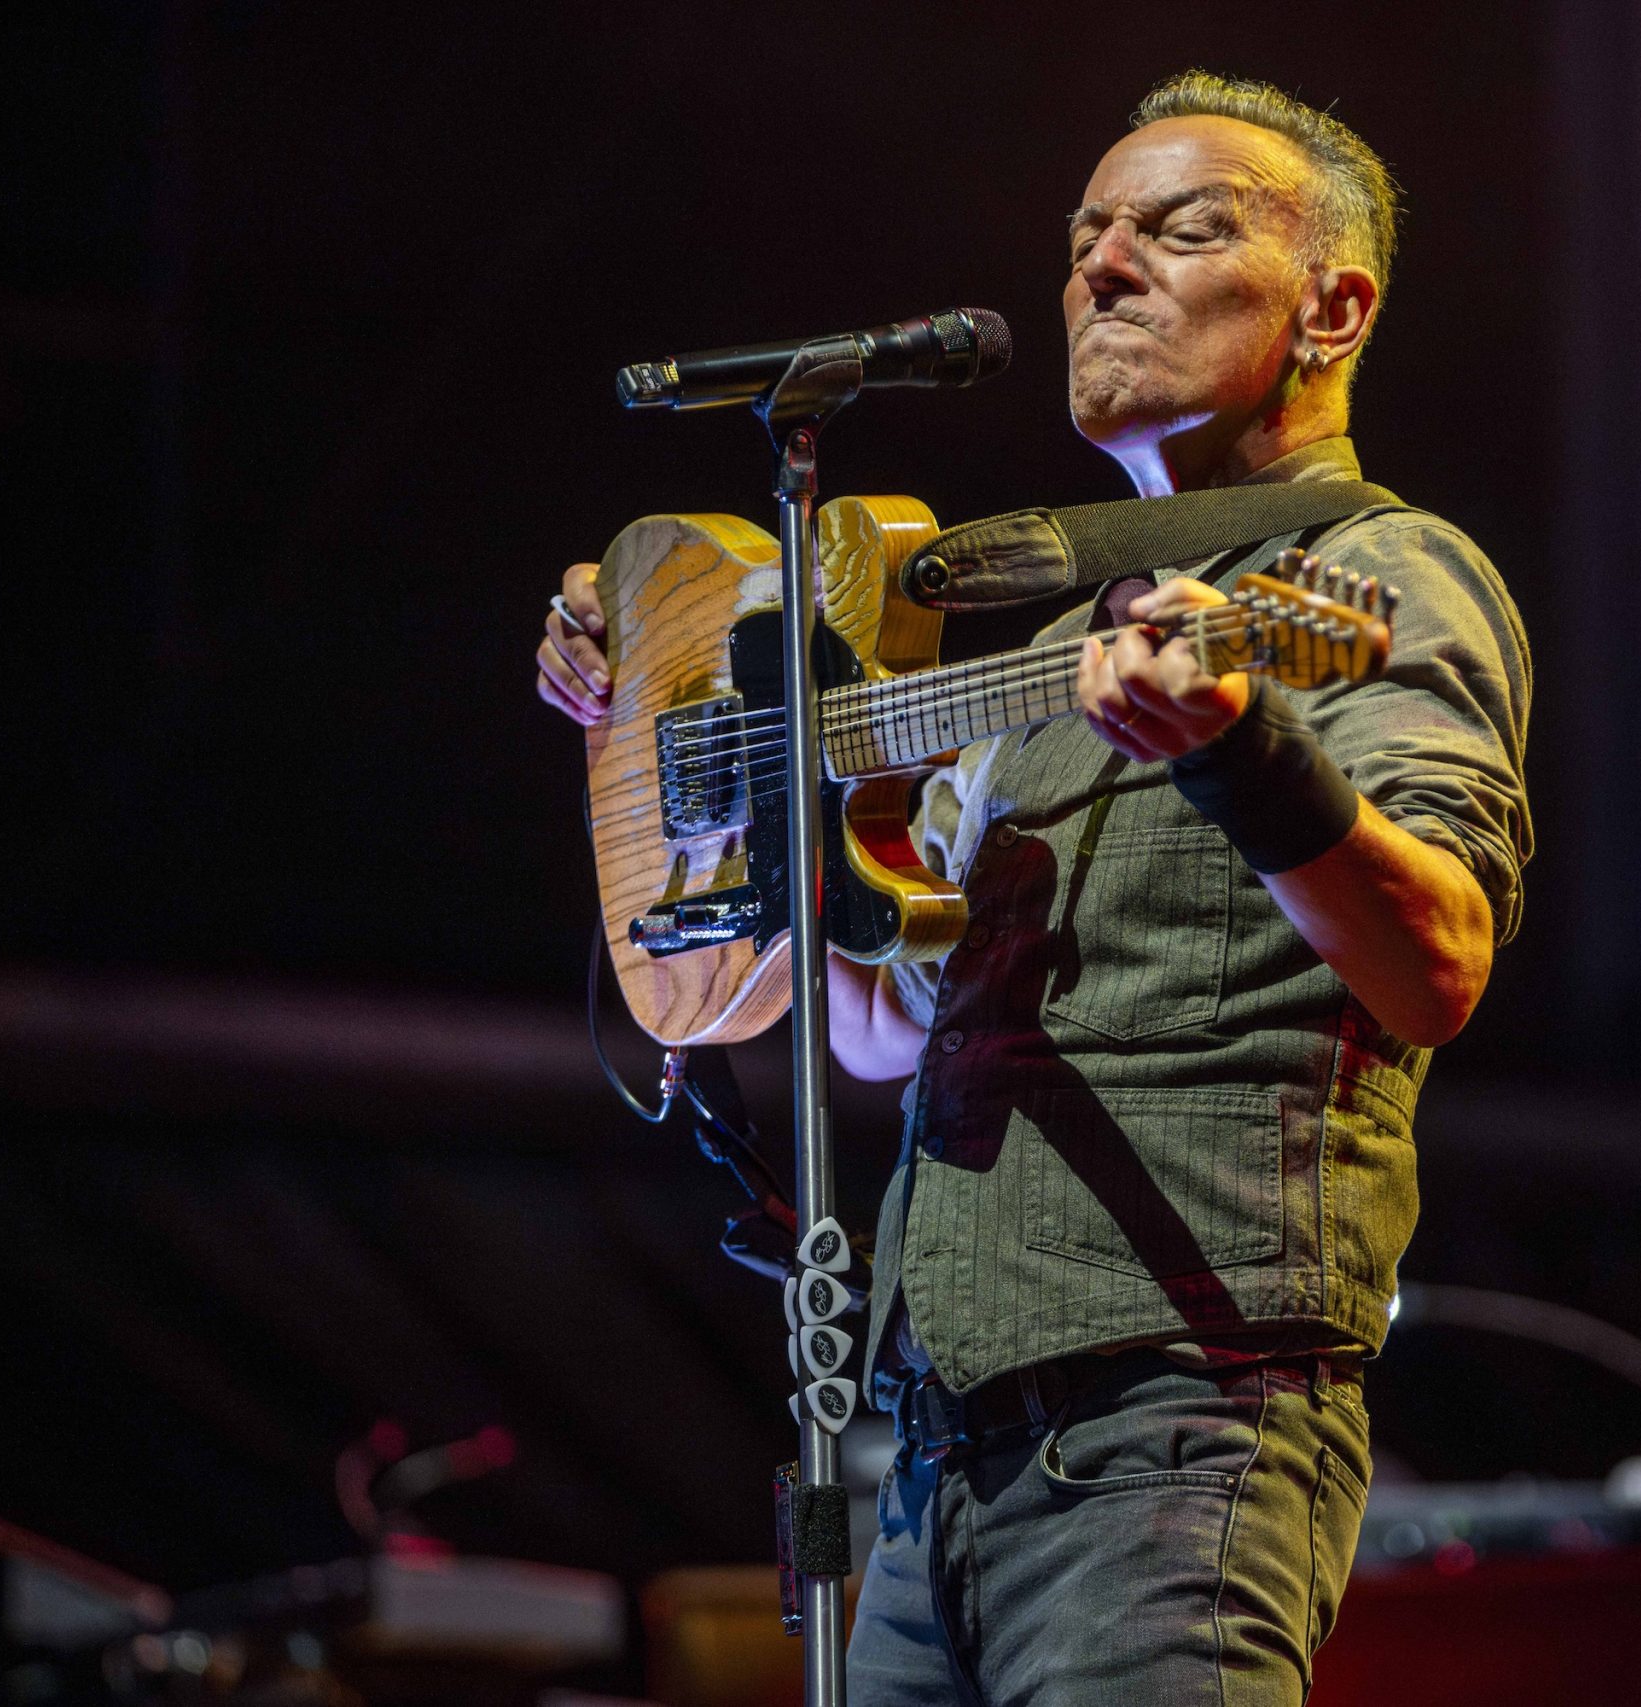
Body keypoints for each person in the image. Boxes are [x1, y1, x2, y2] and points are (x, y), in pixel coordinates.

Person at [537, 71, 1530, 1706]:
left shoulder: (1384, 575)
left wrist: (1241, 746)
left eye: (1178, 230)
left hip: (1177, 1428)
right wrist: (682, 757)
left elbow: (1440, 961)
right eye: (1085, 238)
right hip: (933, 1465)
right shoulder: (1056, 657)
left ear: (1332, 310)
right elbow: (878, 1032)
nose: (1103, 267)